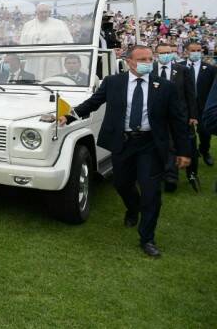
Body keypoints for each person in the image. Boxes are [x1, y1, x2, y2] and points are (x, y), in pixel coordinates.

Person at [58, 45, 190, 257]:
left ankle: (147, 238)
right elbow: (93, 103)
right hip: (123, 143)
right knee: (121, 184)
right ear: (129, 61)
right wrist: (69, 115)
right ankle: (132, 207)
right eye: (142, 59)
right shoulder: (113, 83)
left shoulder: (164, 86)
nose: (148, 62)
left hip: (150, 144)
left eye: (150, 58)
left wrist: (184, 151)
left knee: (151, 192)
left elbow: (177, 120)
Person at [153, 43, 198, 192]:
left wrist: (192, 115)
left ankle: (171, 178)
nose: (165, 55)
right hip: (155, 116)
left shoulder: (182, 70)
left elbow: (190, 94)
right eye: (162, 53)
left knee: (172, 145)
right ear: (156, 54)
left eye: (168, 52)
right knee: (155, 146)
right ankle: (157, 175)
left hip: (177, 116)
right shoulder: (150, 70)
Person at [184, 41, 215, 168]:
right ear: (186, 51)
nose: (196, 53)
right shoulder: (178, 67)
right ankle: (189, 153)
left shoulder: (210, 69)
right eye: (193, 50)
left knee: (205, 132)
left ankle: (205, 151)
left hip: (203, 106)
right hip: (185, 107)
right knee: (186, 133)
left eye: (198, 50)